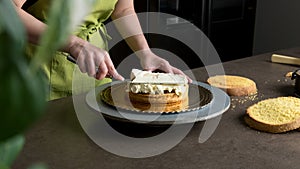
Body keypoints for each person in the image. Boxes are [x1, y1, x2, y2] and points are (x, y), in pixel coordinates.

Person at [13, 0, 191, 100]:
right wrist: (74, 44)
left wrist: (145, 53)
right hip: (38, 69)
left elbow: (123, 9)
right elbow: (6, 11)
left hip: (96, 68)